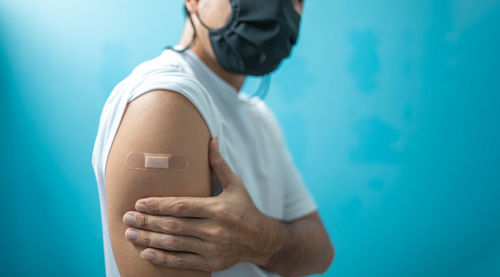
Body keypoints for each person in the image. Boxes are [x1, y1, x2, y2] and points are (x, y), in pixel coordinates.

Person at [92, 0, 335, 276]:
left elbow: (321, 251)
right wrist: (276, 243)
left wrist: (260, 240)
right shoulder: (166, 100)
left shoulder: (260, 117)